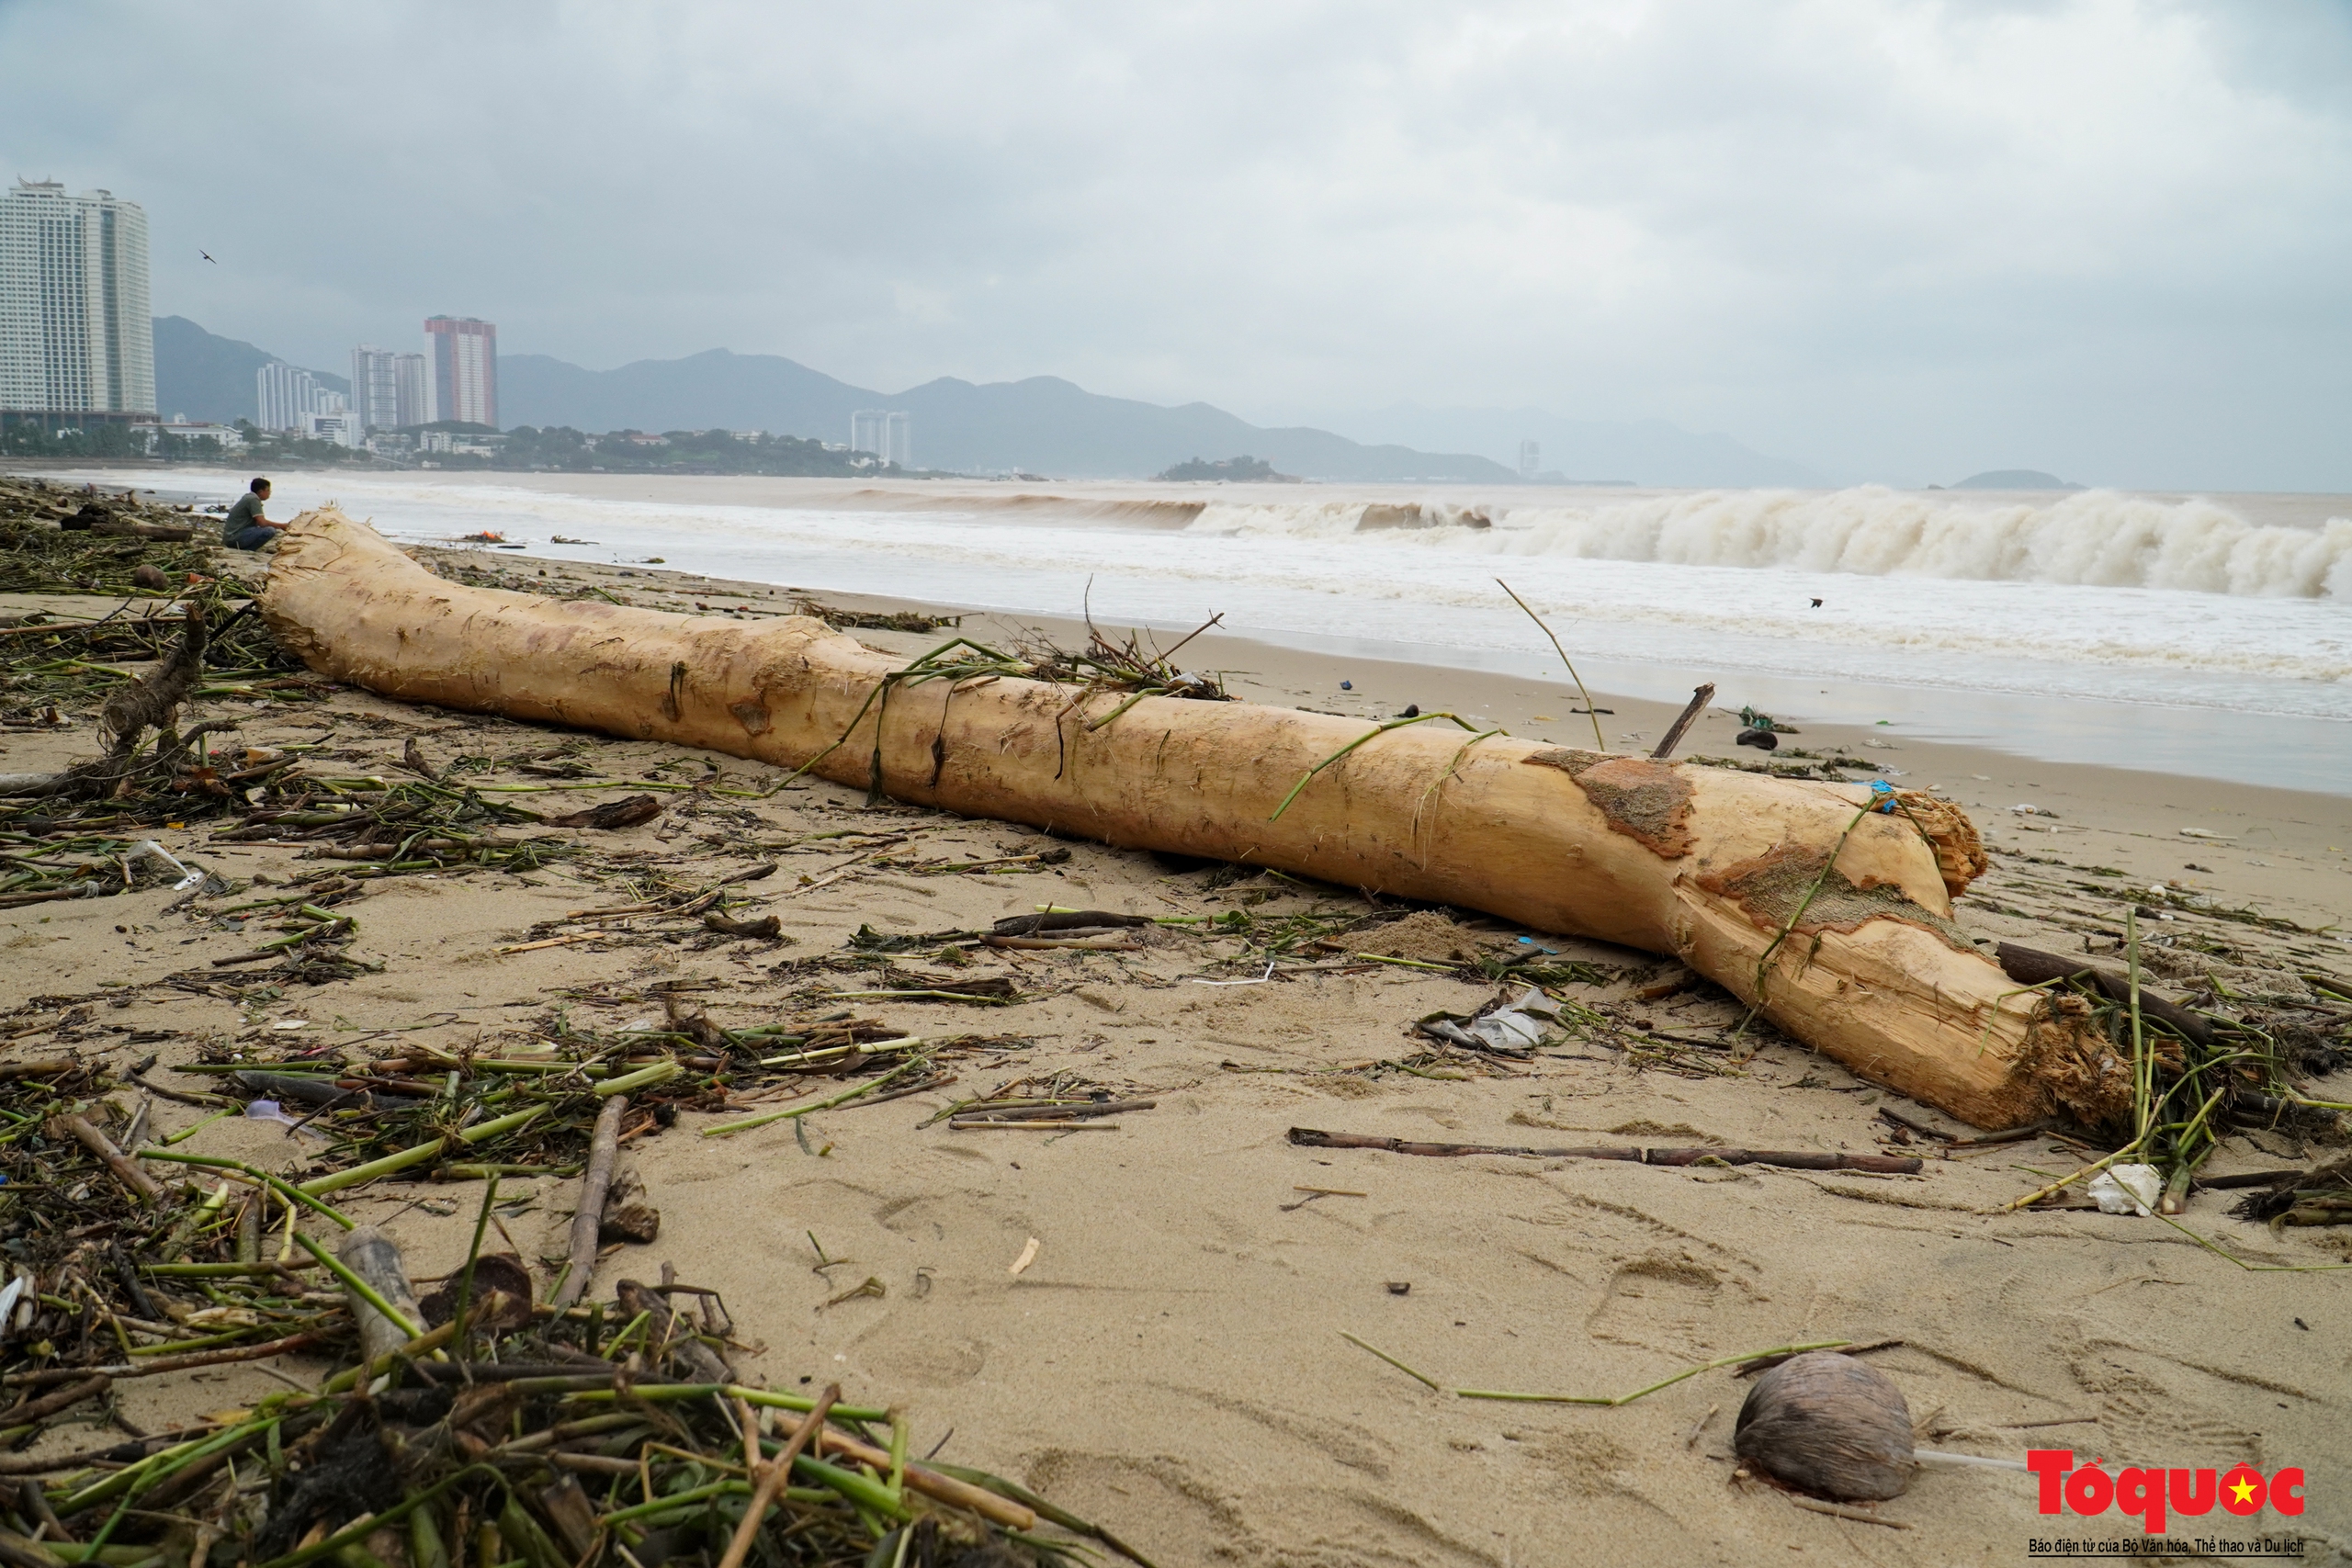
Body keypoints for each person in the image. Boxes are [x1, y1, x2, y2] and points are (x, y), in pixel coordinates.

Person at [222, 478, 283, 550]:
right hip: (234, 538)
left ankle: (246, 549)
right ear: (260, 491)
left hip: (231, 537)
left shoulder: (249, 497)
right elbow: (262, 523)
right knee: (269, 531)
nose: (270, 493)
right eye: (268, 490)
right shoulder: (253, 499)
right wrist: (283, 526)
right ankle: (249, 550)